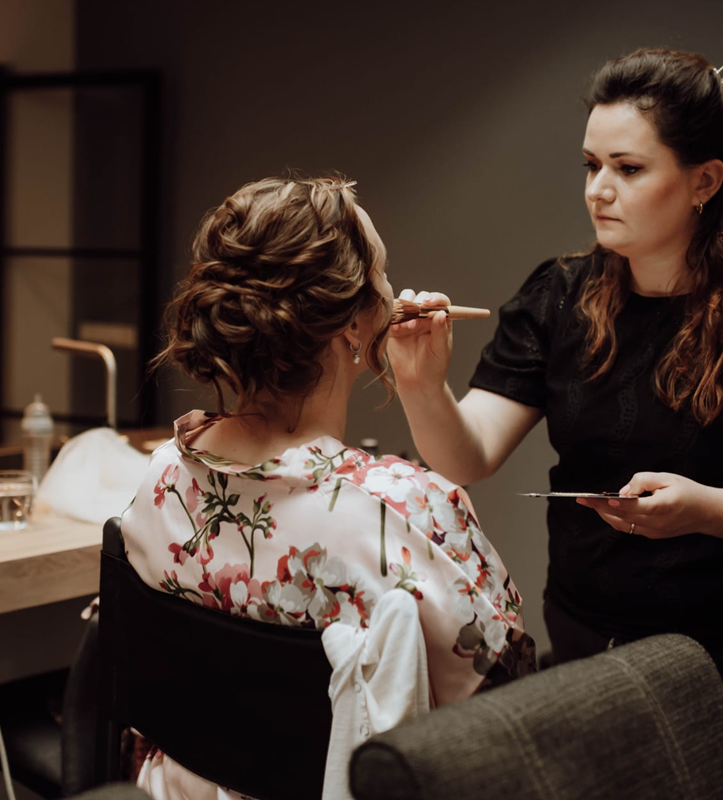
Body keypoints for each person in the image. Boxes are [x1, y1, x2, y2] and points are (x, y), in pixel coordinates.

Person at [390, 47, 723, 775]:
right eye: (591, 166)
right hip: (589, 638)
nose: (599, 190)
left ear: (705, 181)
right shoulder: (561, 295)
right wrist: (422, 383)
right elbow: (469, 456)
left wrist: (707, 510)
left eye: (628, 168)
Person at [120, 176, 535, 799]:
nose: (392, 290)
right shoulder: (400, 508)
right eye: (382, 275)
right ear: (355, 326)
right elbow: (506, 695)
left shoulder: (162, 478)